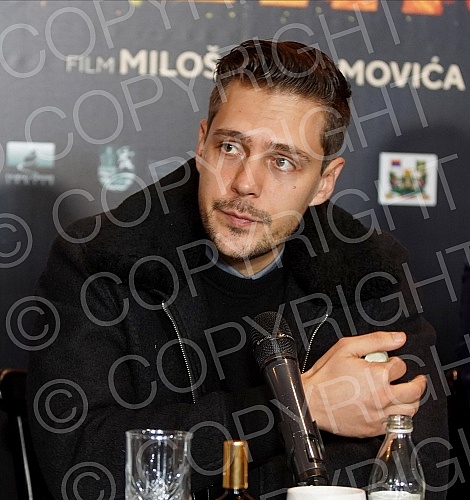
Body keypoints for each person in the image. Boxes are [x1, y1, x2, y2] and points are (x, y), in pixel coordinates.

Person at [27, 39, 448, 499]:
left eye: (283, 161)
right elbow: (81, 469)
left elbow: (422, 472)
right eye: (230, 147)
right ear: (201, 143)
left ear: (324, 183)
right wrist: (298, 408)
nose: (246, 183)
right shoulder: (99, 260)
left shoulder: (371, 274)